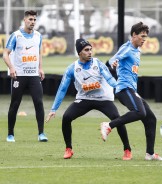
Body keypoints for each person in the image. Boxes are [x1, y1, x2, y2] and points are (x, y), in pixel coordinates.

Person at [45, 38, 132, 160]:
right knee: (66, 117)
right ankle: (68, 149)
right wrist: (54, 109)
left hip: (103, 99)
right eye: (86, 50)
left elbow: (111, 80)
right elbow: (62, 89)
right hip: (84, 99)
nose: (90, 52)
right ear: (79, 53)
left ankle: (127, 149)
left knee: (117, 119)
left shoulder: (98, 64)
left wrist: (122, 91)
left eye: (91, 49)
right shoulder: (72, 68)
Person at [100, 22, 162, 161]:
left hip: (131, 90)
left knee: (150, 118)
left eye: (146, 37)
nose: (144, 39)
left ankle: (150, 154)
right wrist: (114, 62)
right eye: (142, 36)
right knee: (140, 112)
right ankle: (108, 125)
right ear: (134, 35)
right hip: (124, 89)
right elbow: (114, 58)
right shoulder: (127, 48)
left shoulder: (137, 50)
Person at [2, 10, 48, 142]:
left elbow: (39, 53)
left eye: (34, 20)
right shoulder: (16, 36)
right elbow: (5, 53)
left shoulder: (38, 36)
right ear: (25, 20)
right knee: (15, 104)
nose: (32, 22)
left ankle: (41, 134)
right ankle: (10, 134)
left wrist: (40, 68)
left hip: (34, 75)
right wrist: (11, 67)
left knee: (39, 103)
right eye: (30, 19)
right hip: (19, 76)